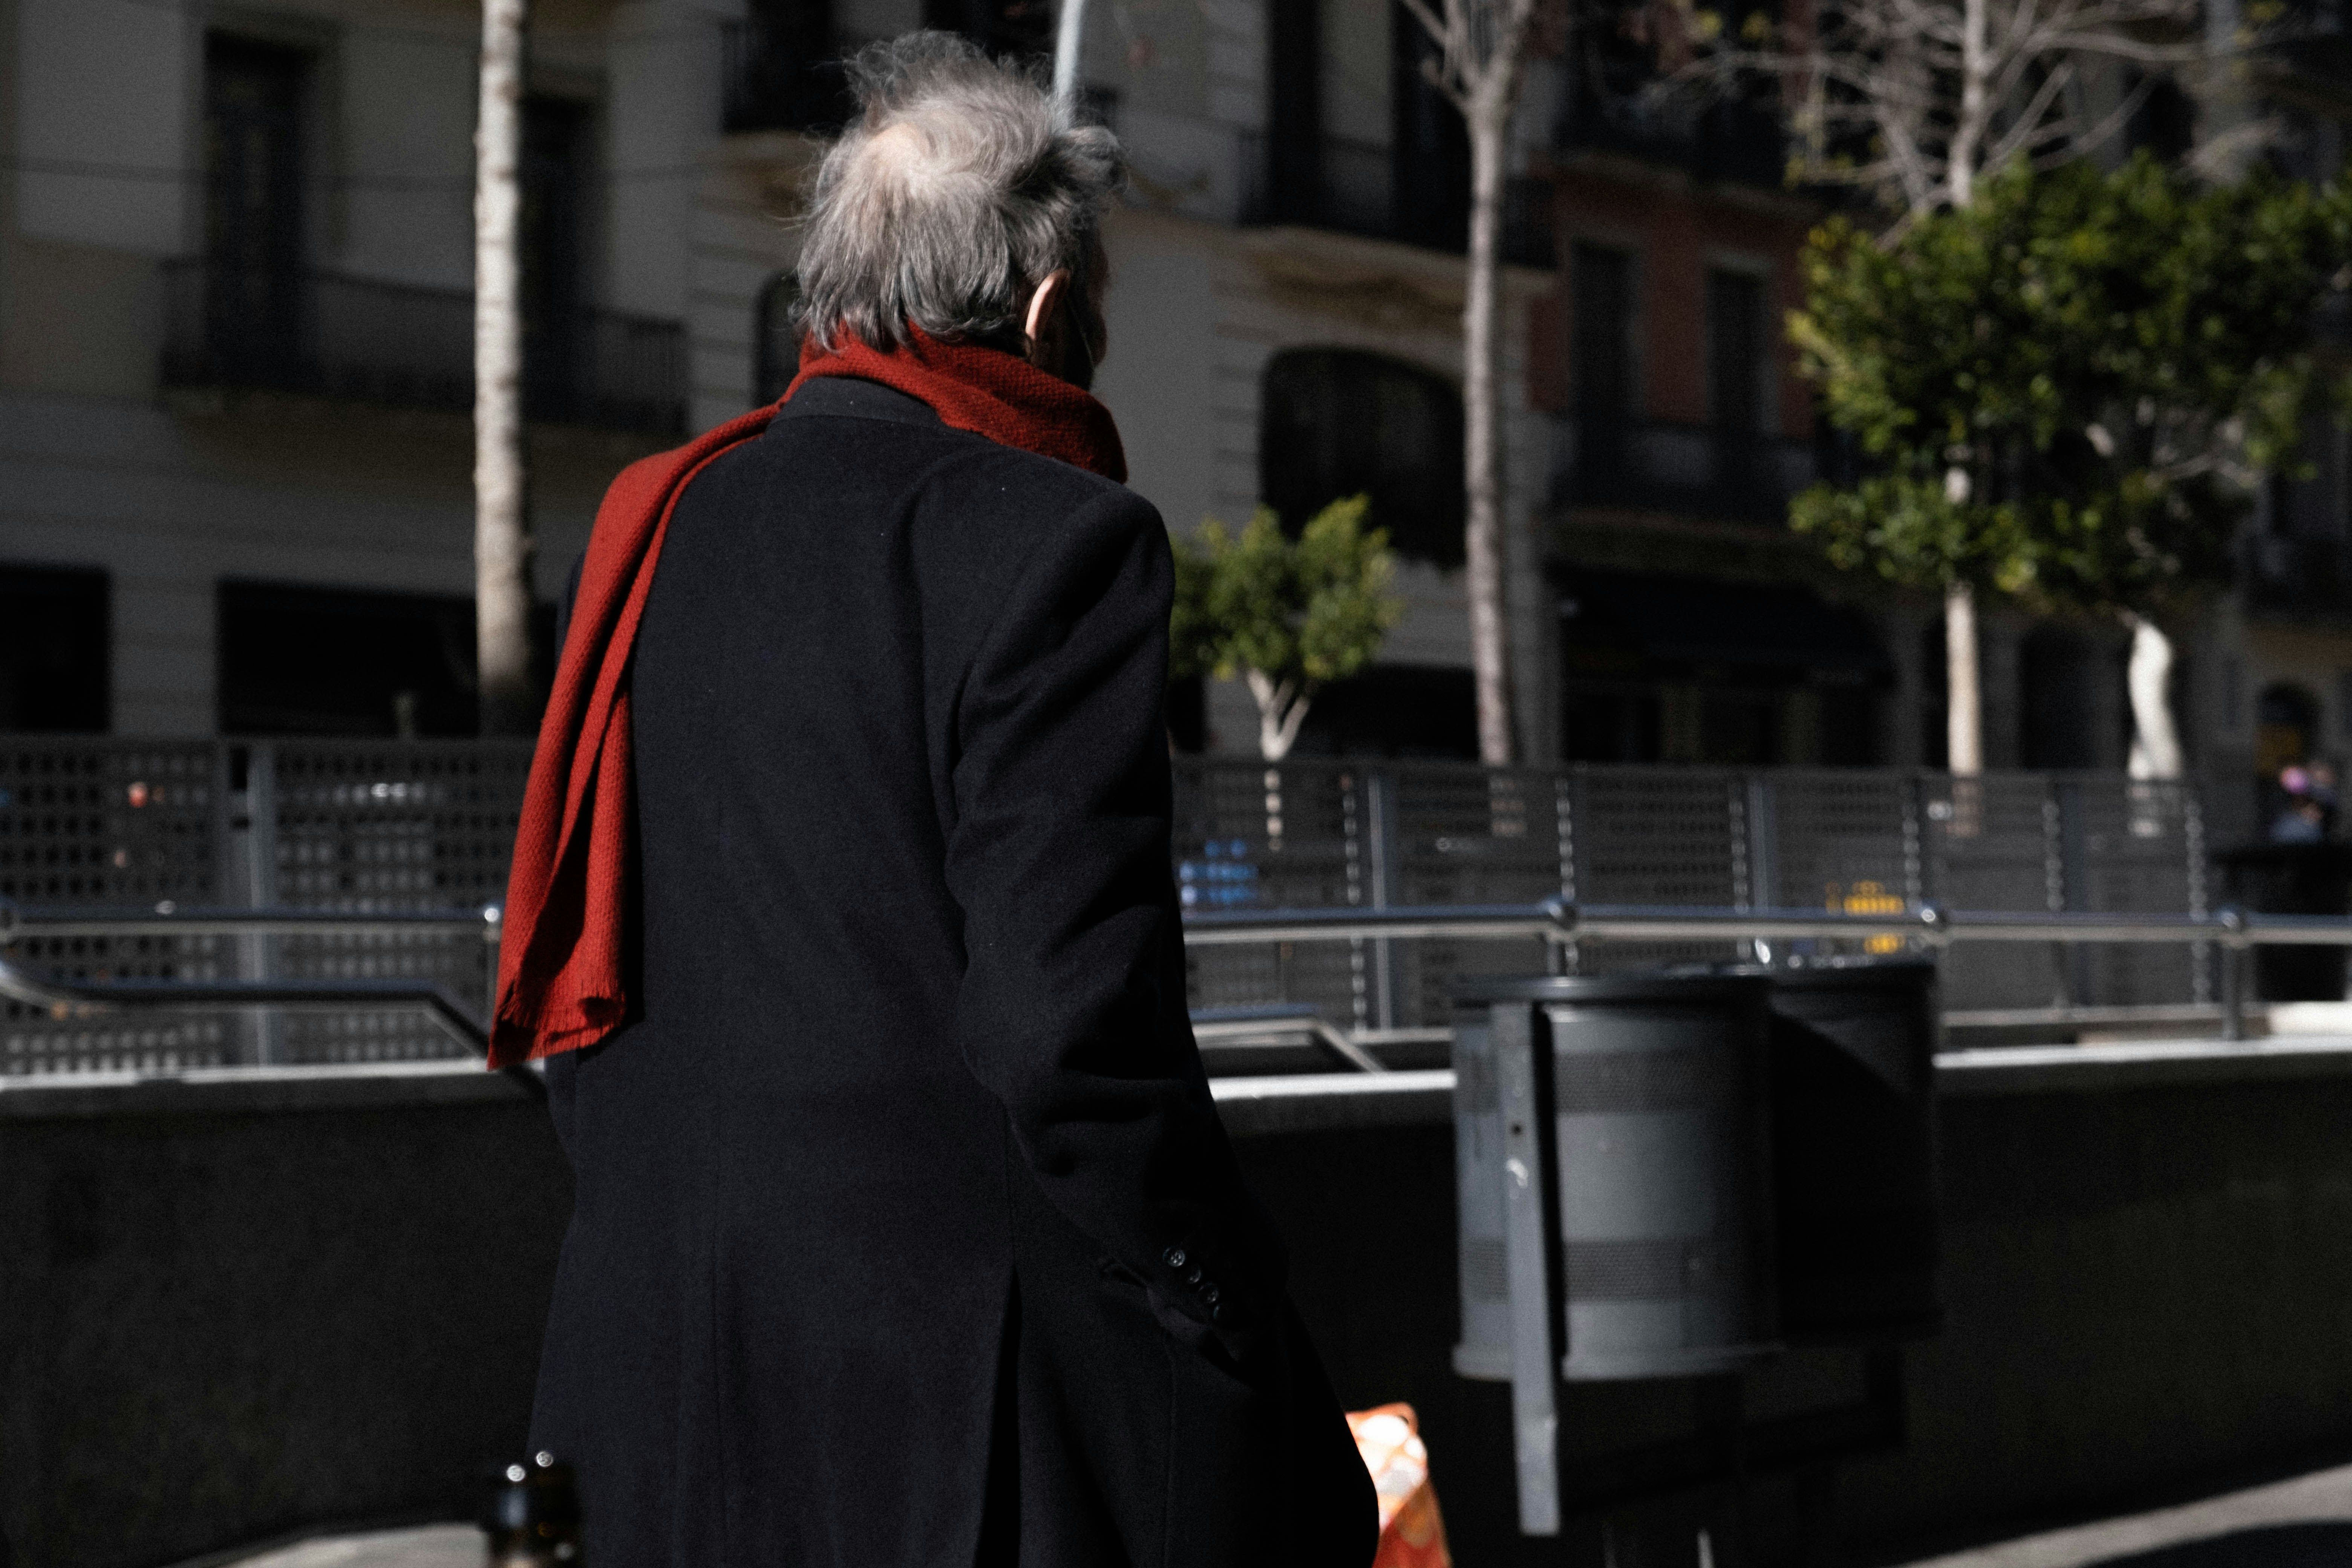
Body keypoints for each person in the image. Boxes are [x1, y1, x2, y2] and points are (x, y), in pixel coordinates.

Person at [489, 32, 1376, 1568]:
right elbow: (1068, 1034)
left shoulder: (654, 526)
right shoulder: (1059, 541)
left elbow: (586, 977)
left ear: (838, 296)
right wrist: (1221, 1298)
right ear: (1047, 308)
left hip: (647, 1368)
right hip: (941, 1386)